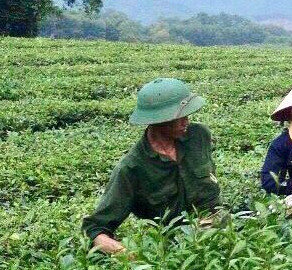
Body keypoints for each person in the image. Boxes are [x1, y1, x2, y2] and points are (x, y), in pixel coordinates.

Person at [82, 78, 221, 255]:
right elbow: (95, 228)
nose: (185, 121)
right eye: (178, 117)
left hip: (219, 230)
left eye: (187, 114)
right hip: (176, 250)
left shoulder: (199, 135)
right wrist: (127, 255)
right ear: (157, 120)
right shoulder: (131, 169)